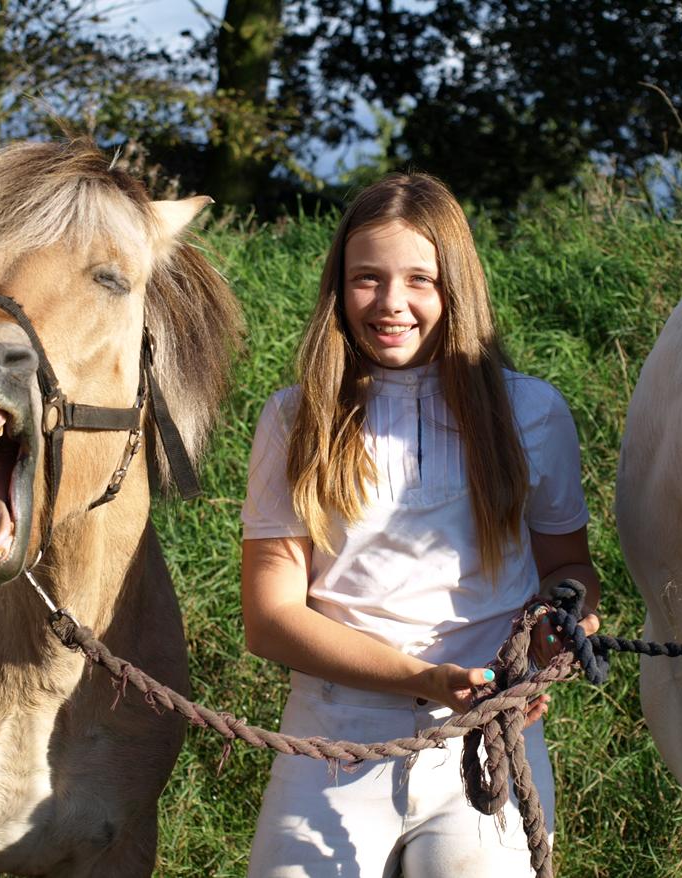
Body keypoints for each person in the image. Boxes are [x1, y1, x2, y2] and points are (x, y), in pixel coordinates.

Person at [240, 172, 601, 878]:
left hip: (487, 745)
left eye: (419, 280)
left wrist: (561, 633)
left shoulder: (534, 413)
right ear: (338, 289)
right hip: (332, 743)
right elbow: (270, 616)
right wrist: (423, 677)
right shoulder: (295, 419)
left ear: (456, 288)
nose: (391, 303)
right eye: (366, 279)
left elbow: (570, 570)